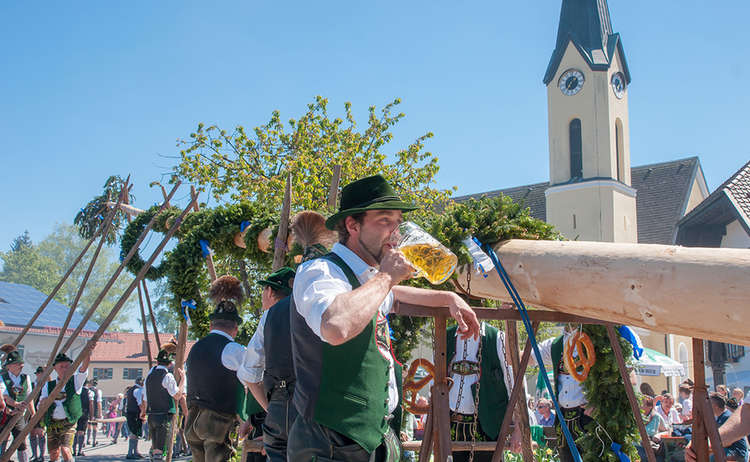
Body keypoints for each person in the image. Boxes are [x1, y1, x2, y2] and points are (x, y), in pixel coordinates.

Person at [288, 175, 481, 462]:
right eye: (384, 221)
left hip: (375, 436)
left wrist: (447, 298)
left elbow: (396, 296)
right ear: (353, 225)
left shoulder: (368, 281)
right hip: (330, 442)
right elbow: (335, 326)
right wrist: (386, 277)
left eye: (398, 221)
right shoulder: (320, 272)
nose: (395, 233)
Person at [185, 275, 247, 462]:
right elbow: (251, 380)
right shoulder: (234, 349)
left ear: (211, 324)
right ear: (235, 328)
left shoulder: (195, 348)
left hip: (192, 420)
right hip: (217, 421)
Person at [238, 267, 297, 462]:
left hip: (283, 403)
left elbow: (249, 374)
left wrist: (271, 410)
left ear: (270, 292)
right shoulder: (311, 307)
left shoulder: (269, 316)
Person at [446, 321, 521, 462]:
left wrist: (519, 428)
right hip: (451, 426)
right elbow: (433, 384)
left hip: (488, 426)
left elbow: (515, 385)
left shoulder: (497, 338)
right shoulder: (446, 336)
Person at [527, 327, 592, 462]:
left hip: (587, 416)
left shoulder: (596, 339)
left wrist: (598, 403)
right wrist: (511, 322)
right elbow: (524, 358)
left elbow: (626, 376)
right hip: (563, 418)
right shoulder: (555, 344)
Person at [40, 350, 93, 462]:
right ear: (55, 368)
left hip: (69, 421)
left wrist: (87, 354)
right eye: (61, 366)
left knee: (66, 450)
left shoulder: (76, 381)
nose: (64, 369)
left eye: (67, 366)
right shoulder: (48, 385)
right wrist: (44, 402)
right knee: (54, 454)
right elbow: (42, 402)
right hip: (52, 422)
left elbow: (84, 368)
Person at [142, 343, 185, 461]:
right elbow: (177, 395)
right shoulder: (168, 376)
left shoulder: (149, 376)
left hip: (152, 415)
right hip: (164, 416)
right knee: (160, 451)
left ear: (157, 362)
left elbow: (145, 398)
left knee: (156, 447)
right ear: (170, 363)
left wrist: (143, 412)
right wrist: (182, 380)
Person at [1, 344, 36, 462]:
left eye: (21, 364)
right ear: (10, 366)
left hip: (19, 415)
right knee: (3, 438)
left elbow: (29, 397)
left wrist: (33, 414)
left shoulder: (26, 378)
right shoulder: (2, 377)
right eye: (17, 364)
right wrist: (17, 405)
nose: (21, 366)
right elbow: (4, 396)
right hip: (4, 414)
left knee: (21, 440)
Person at [710, 393, 748, 461]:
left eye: (709, 404)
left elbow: (727, 442)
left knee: (711, 457)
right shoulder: (719, 417)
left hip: (738, 453)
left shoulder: (727, 417)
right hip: (729, 449)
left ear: (715, 406)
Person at [31, 366, 51, 462]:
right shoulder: (32, 385)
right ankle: (34, 455)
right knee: (32, 433)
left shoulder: (47, 386)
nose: (39, 376)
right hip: (31, 411)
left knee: (41, 433)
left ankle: (42, 456)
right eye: (38, 374)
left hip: (42, 412)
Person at [71, 371, 92, 457]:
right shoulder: (89, 392)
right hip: (84, 413)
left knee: (75, 432)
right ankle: (80, 450)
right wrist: (92, 415)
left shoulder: (74, 390)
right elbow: (91, 404)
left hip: (75, 413)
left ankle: (73, 450)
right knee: (81, 432)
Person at [124, 377, 145, 459]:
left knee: (135, 433)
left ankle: (135, 452)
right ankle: (130, 453)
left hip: (130, 413)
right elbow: (140, 404)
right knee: (134, 433)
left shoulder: (131, 390)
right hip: (135, 413)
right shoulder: (138, 390)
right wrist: (143, 414)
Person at [86, 379, 102, 447]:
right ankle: (94, 441)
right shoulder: (98, 391)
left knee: (88, 425)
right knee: (95, 426)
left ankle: (88, 440)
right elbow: (99, 403)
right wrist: (100, 413)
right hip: (94, 410)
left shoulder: (87, 390)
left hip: (87, 410)